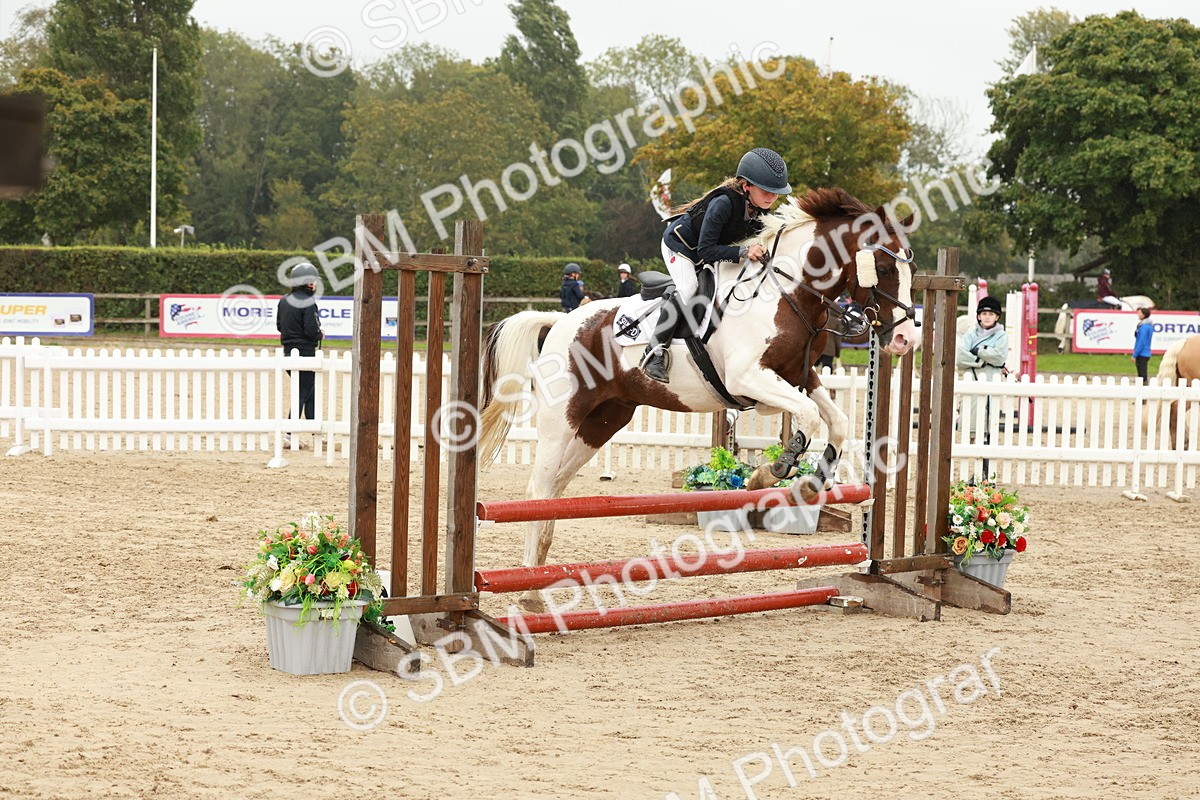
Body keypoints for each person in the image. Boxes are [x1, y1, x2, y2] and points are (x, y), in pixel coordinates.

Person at [642, 147, 791, 383]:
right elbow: (705, 251)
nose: (772, 197)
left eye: (776, 192)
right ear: (746, 186)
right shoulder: (723, 204)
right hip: (680, 248)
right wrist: (744, 251)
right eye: (767, 191)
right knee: (689, 287)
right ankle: (654, 352)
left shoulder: (759, 208)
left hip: (707, 251)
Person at [277, 262, 324, 441]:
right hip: (305, 351)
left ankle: (315, 433)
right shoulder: (308, 301)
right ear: (308, 282)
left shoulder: (283, 301)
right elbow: (311, 330)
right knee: (303, 391)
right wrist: (320, 334)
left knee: (308, 391)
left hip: (288, 352)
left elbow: (279, 326)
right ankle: (289, 431)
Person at [956, 295, 1009, 436]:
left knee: (989, 416)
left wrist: (979, 350)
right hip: (972, 379)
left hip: (991, 379)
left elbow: (999, 357)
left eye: (991, 314)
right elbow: (960, 357)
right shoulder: (970, 334)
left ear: (997, 317)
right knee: (970, 413)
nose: (987, 317)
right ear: (979, 316)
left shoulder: (1002, 336)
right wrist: (981, 361)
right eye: (984, 314)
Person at [1132, 306, 1153, 384]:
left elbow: (1141, 342)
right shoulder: (1148, 326)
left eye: (1139, 313)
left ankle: (1143, 391)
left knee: (1142, 375)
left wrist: (1135, 354)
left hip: (1142, 353)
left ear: (1144, 315)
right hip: (1146, 352)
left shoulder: (1143, 327)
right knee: (1143, 373)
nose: (1138, 314)